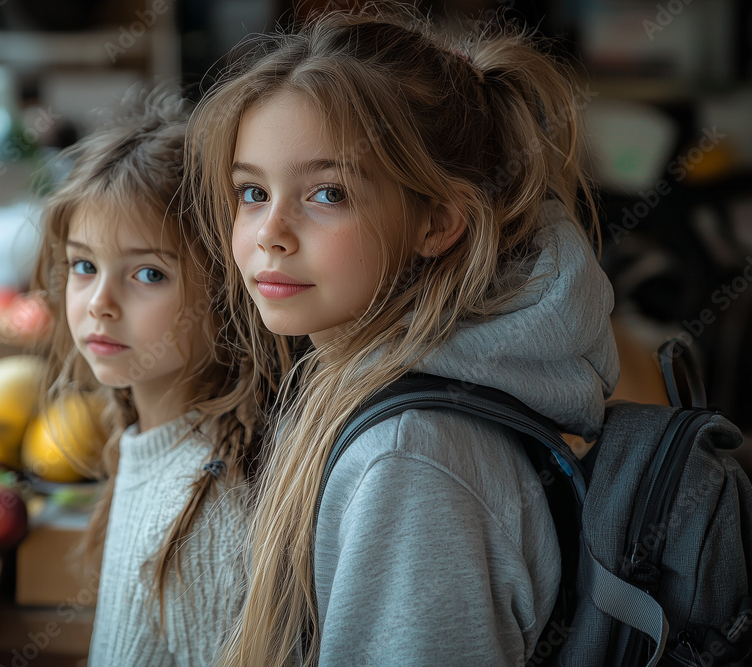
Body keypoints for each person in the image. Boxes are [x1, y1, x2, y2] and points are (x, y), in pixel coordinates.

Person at [184, 6, 620, 666]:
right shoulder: (385, 403)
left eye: (327, 193)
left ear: (438, 221)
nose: (270, 231)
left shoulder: (412, 460)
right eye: (252, 192)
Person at [31, 86, 280, 666]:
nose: (99, 303)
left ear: (222, 292)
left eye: (147, 273)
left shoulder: (202, 513)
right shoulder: (153, 446)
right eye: (84, 266)